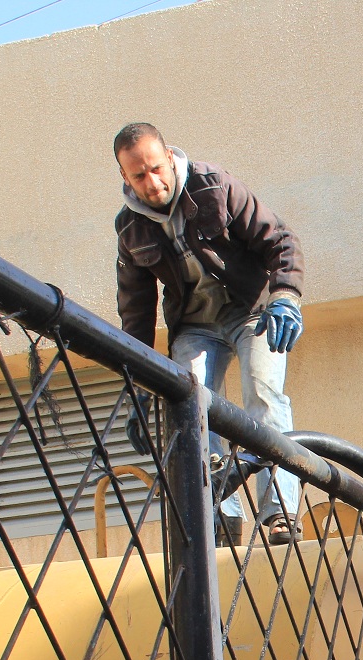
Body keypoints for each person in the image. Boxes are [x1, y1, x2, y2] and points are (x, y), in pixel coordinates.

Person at [112, 121, 305, 545]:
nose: (153, 182)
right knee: (191, 406)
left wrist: (286, 296)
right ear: (124, 176)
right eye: (139, 176)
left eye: (156, 168)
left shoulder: (214, 186)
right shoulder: (130, 229)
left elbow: (280, 240)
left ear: (169, 157)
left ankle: (279, 513)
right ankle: (220, 519)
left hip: (250, 311)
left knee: (263, 392)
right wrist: (139, 389)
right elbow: (135, 314)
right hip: (195, 324)